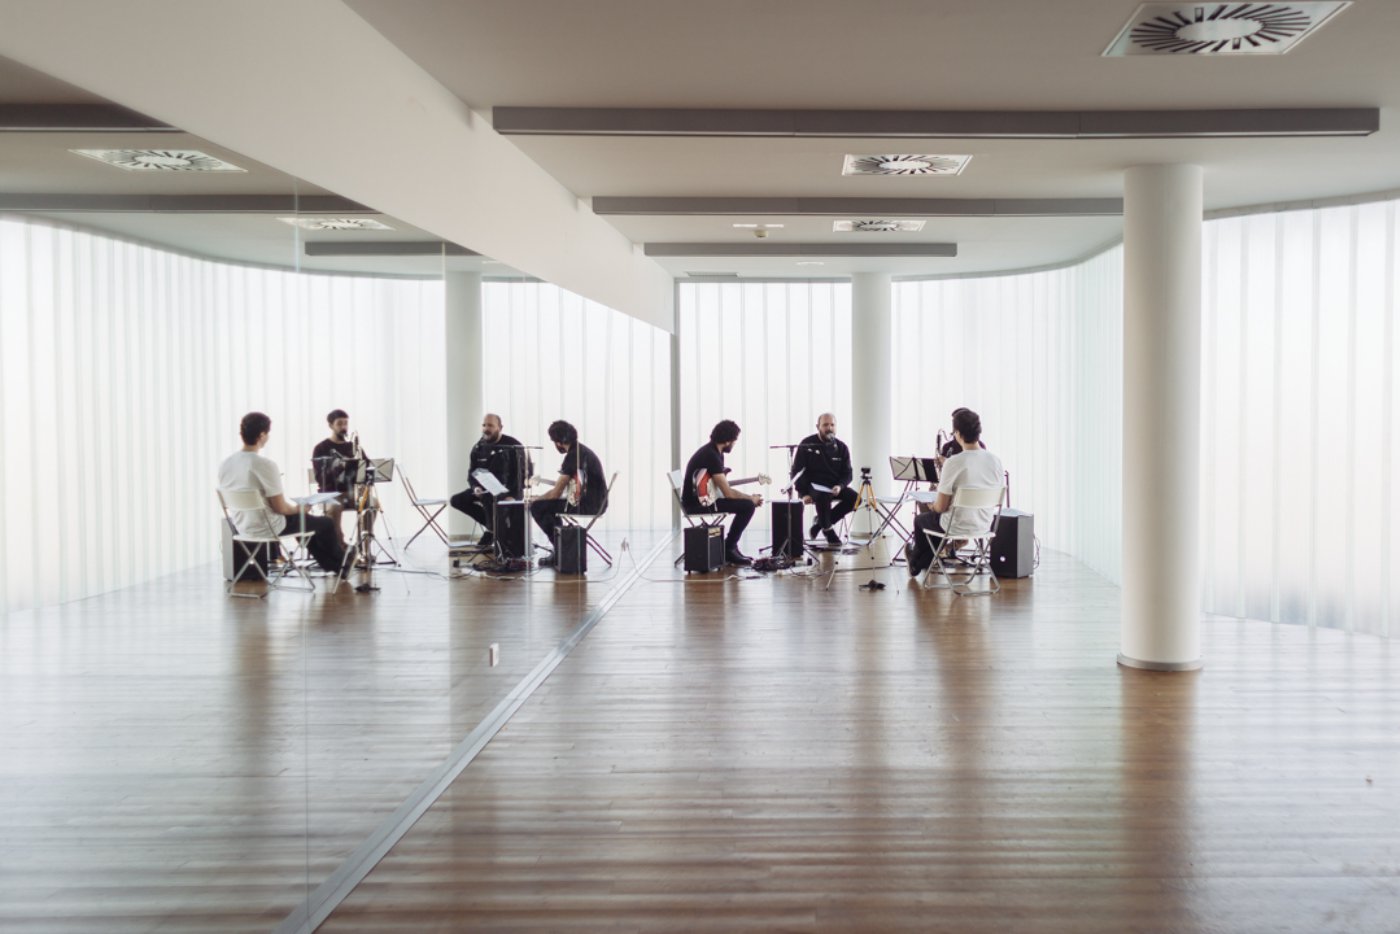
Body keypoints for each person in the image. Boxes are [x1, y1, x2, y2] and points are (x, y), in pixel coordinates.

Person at [220, 411, 349, 574]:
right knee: (325, 523)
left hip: (242, 527)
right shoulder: (265, 464)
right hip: (268, 527)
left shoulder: (225, 464)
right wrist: (299, 508)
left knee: (304, 522)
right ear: (262, 435)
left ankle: (334, 565)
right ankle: (341, 565)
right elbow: (281, 508)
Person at [906, 408, 1004, 578]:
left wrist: (932, 506)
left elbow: (942, 506)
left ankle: (917, 563)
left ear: (957, 433)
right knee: (934, 522)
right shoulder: (995, 461)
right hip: (984, 524)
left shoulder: (954, 462)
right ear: (978, 432)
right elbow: (995, 500)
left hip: (956, 525)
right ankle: (922, 561)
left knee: (922, 520)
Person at [682, 419, 763, 566]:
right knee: (747, 506)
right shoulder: (711, 456)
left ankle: (730, 546)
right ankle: (729, 548)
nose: (734, 444)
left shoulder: (714, 452)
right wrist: (751, 498)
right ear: (727, 441)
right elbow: (728, 494)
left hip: (704, 499)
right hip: (698, 504)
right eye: (734, 441)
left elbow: (717, 486)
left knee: (745, 505)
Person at [530, 420, 606, 567]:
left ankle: (561, 550)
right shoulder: (581, 451)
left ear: (558, 442)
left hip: (587, 505)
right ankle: (560, 549)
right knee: (548, 506)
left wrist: (536, 499)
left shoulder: (573, 456)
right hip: (597, 502)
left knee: (538, 507)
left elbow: (555, 494)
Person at [450, 413, 530, 549]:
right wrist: (475, 487)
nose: (486, 428)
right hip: (484, 489)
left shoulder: (513, 445)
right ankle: (492, 528)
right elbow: (471, 473)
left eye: (491, 425)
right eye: (484, 425)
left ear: (500, 427)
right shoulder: (478, 447)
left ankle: (492, 531)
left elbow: (524, 473)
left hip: (509, 490)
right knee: (456, 500)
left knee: (491, 498)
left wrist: (513, 495)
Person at [791, 412, 856, 546]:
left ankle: (820, 524)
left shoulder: (842, 447)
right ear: (818, 427)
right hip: (813, 487)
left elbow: (848, 473)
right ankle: (827, 529)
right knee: (823, 496)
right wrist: (803, 494)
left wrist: (840, 486)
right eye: (825, 425)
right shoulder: (806, 444)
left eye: (832, 425)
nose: (829, 428)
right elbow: (797, 472)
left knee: (856, 498)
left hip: (834, 486)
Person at [310, 408, 373, 547]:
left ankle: (363, 546)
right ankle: (340, 547)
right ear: (331, 425)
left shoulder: (353, 447)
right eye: (339, 424)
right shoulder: (321, 448)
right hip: (330, 494)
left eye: (345, 423)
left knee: (373, 504)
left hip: (352, 492)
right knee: (334, 508)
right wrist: (338, 467)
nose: (344, 427)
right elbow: (320, 478)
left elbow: (367, 465)